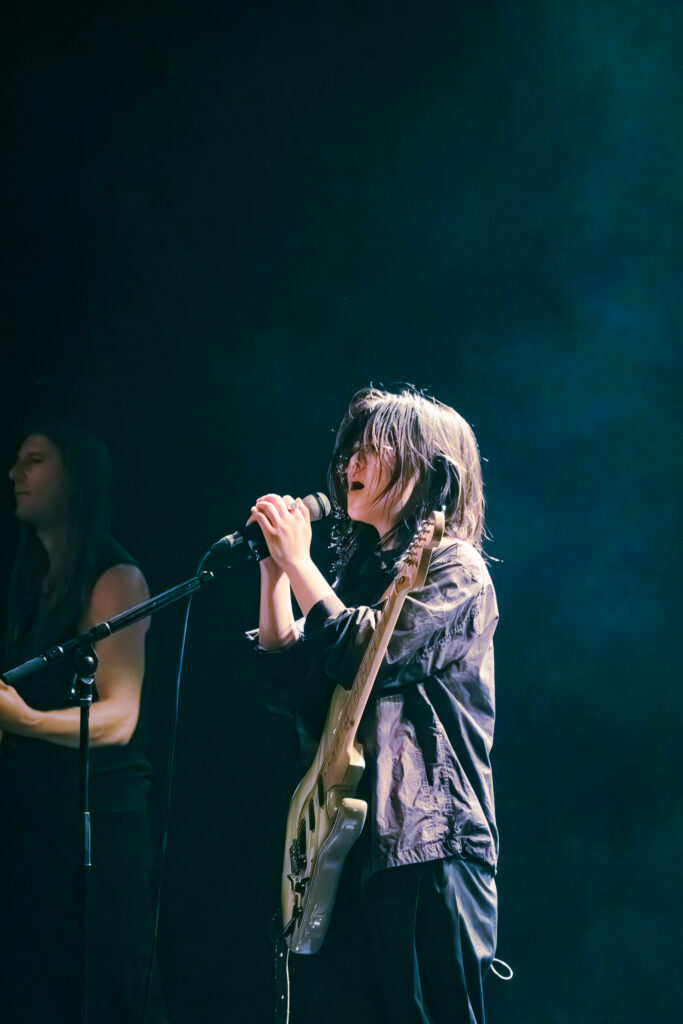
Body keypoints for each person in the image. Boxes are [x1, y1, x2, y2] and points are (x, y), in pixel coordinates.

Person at [249, 385, 500, 1024]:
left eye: (373, 448)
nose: (350, 463)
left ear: (426, 467)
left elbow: (373, 654)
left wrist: (300, 565)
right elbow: (293, 683)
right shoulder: (359, 580)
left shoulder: (457, 569)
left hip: (427, 840)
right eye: (349, 450)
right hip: (354, 841)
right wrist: (275, 575)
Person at [0, 423, 165, 1024]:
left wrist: (25, 721)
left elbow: (121, 717)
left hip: (99, 838)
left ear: (75, 476)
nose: (15, 474)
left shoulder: (116, 579)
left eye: (34, 460)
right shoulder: (32, 584)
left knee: (105, 996)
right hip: (37, 830)